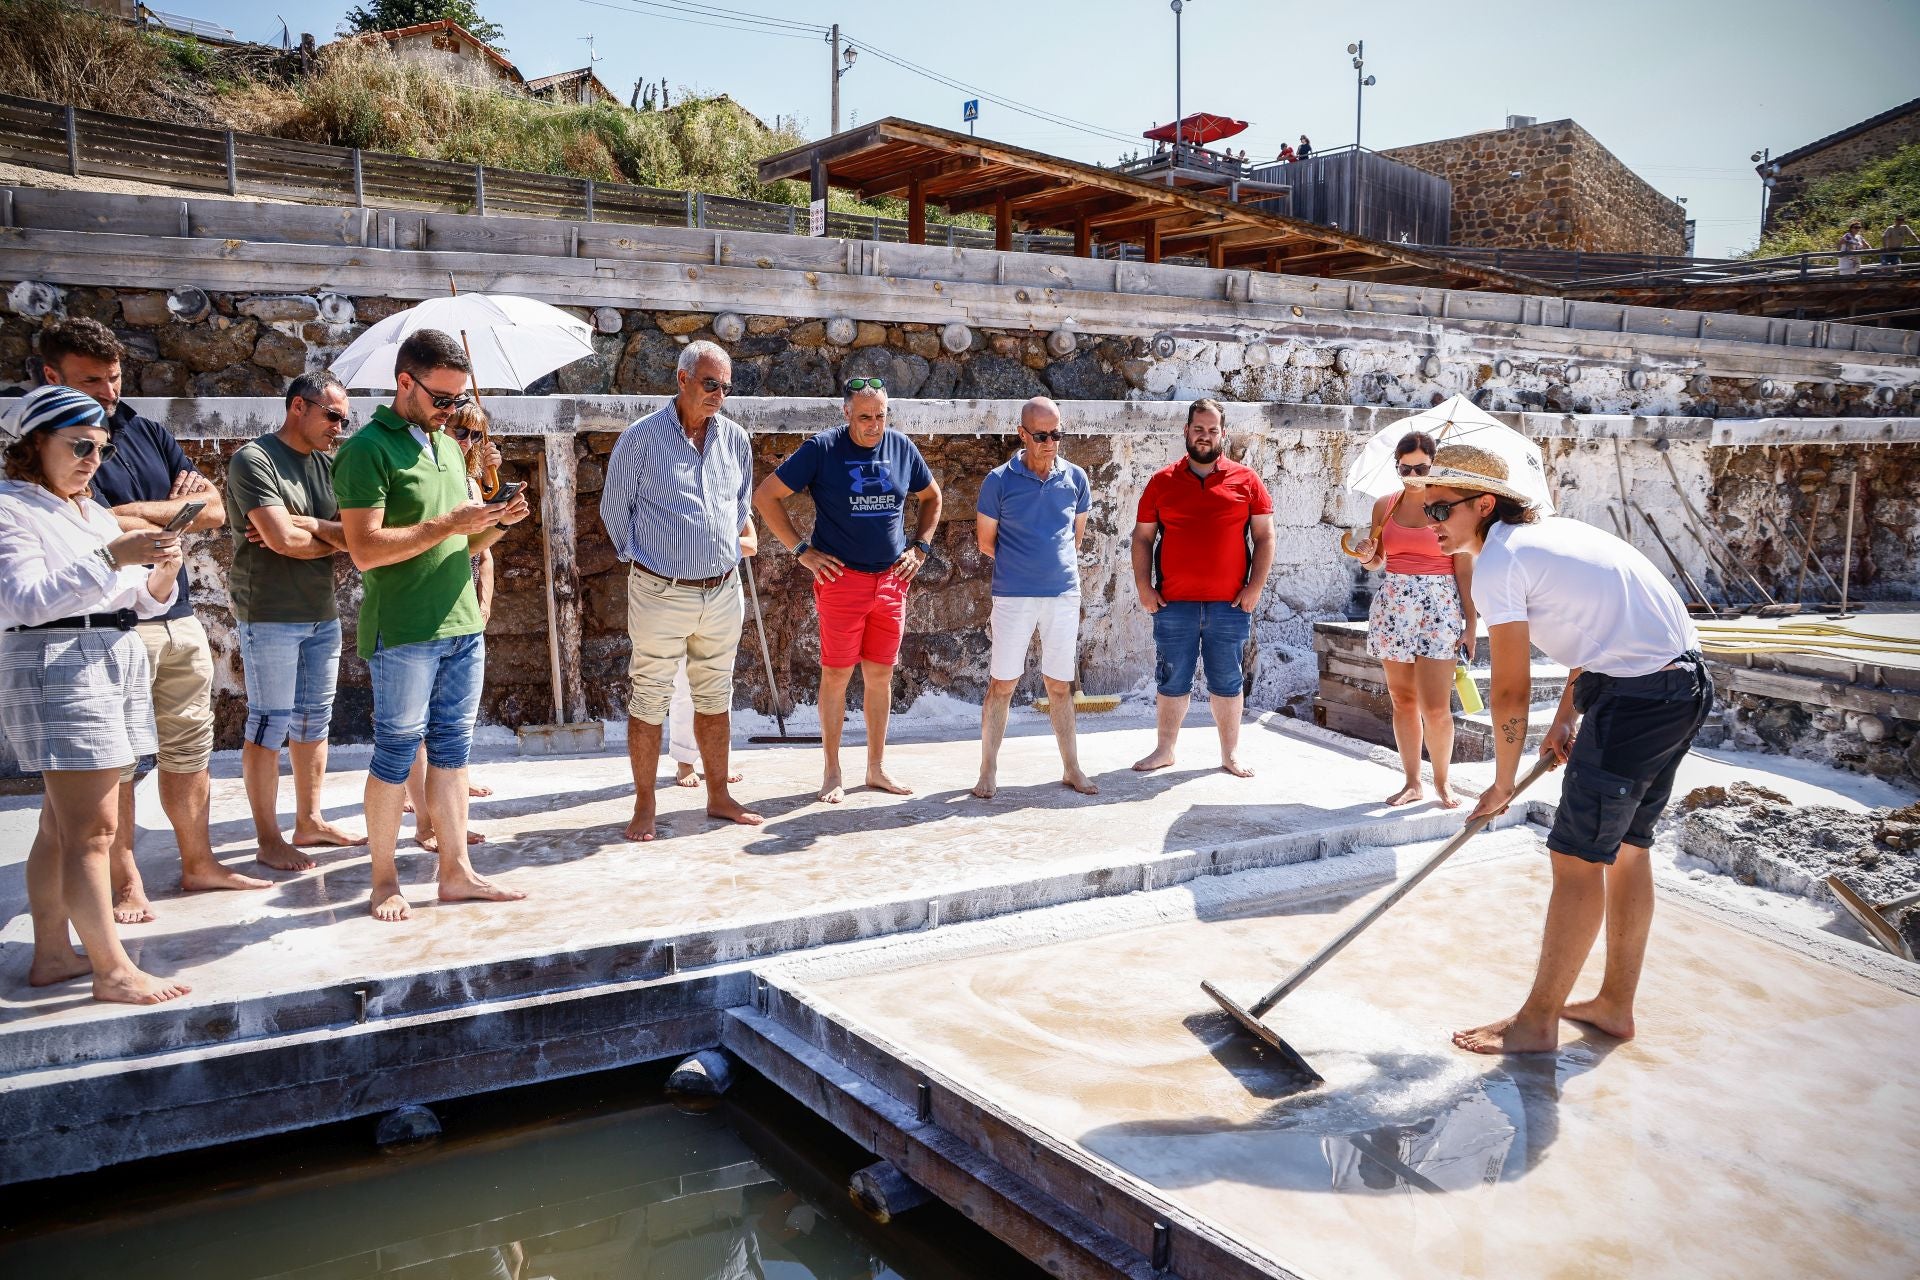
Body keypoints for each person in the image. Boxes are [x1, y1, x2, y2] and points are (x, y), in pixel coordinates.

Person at [1411, 444, 1709, 1056]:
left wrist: (1501, 781)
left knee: (1577, 859)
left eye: (1441, 507)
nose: (1430, 521)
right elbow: (1594, 627)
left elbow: (1511, 688)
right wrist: (1568, 714)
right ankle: (1614, 1006)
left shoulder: (1498, 563)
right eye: (1425, 507)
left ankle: (1536, 1023)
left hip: (1638, 700)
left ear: (1484, 504)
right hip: (1678, 687)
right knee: (1629, 847)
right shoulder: (1551, 535)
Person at [40, 317, 268, 921]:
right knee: (116, 759)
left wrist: (131, 512)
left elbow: (214, 510)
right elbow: (83, 523)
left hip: (178, 612)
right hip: (110, 622)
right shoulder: (49, 448)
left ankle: (199, 863)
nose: (111, 394)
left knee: (190, 745)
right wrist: (172, 510)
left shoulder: (144, 430)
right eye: (93, 381)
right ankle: (125, 881)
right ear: (50, 376)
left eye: (115, 378)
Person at [0, 385, 191, 1003]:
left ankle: (53, 955)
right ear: (35, 444)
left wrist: (159, 566)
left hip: (110, 654)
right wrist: (113, 557)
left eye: (100, 449)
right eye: (79, 445)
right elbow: (23, 601)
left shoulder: (88, 510)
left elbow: (137, 598)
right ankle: (113, 971)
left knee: (60, 826)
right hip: (59, 661)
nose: (92, 459)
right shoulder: (11, 509)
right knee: (94, 830)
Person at [333, 329, 531, 921]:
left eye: (458, 401)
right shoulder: (366, 449)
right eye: (442, 399)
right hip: (406, 630)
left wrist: (497, 523)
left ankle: (456, 872)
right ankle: (384, 879)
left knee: (453, 750)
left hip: (461, 623)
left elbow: (460, 540)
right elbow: (365, 549)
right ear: (404, 384)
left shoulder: (446, 445)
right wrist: (451, 522)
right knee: (394, 753)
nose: (451, 411)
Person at [599, 340, 761, 841]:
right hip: (661, 593)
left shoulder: (735, 439)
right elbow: (614, 510)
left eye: (726, 388)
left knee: (716, 696)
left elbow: (739, 504)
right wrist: (648, 566)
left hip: (722, 591)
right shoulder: (641, 439)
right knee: (648, 698)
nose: (718, 395)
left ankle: (718, 795)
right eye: (710, 384)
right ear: (682, 379)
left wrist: (728, 549)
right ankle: (645, 805)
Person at [754, 376, 941, 803]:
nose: (873, 425)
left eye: (880, 416)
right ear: (845, 413)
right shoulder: (822, 449)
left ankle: (875, 769)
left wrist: (922, 548)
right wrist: (802, 550)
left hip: (892, 581)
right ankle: (832, 771)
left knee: (880, 675)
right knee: (836, 675)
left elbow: (933, 497)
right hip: (841, 581)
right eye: (864, 417)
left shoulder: (900, 447)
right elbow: (765, 496)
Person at [226, 370, 364, 872]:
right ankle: (268, 837)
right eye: (332, 416)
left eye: (344, 420)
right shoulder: (254, 459)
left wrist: (313, 528)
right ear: (297, 407)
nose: (339, 427)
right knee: (268, 724)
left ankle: (310, 820)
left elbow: (359, 539)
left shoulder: (328, 466)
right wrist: (326, 538)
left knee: (314, 722)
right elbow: (281, 541)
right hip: (270, 613)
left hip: (320, 613)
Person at [1129, 398, 1275, 777]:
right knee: (1172, 676)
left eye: (1212, 430)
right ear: (1186, 432)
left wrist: (1254, 587)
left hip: (1229, 604)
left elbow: (1264, 536)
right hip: (1173, 602)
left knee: (1227, 679)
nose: (1205, 436)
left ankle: (1230, 755)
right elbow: (1143, 538)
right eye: (1199, 429)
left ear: (1223, 433)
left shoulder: (1247, 480)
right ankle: (1165, 750)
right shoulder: (1162, 482)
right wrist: (1144, 588)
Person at [971, 397, 1097, 800]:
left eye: (1056, 434)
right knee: (1002, 683)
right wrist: (1025, 566)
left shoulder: (1075, 478)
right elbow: (986, 542)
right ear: (1022, 434)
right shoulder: (998, 481)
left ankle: (1072, 768)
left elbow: (1074, 538)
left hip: (1062, 595)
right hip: (1013, 595)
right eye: (1041, 435)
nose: (1050, 443)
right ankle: (988, 771)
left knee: (1060, 684)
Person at [1347, 431, 1475, 808]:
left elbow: (1464, 568)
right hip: (1394, 608)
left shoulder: (1451, 507)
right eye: (1406, 468)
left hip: (1440, 608)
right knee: (1403, 700)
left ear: (1435, 465)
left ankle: (1442, 782)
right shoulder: (1385, 506)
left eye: (1422, 467)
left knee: (1436, 706)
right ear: (1397, 467)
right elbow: (1377, 562)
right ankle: (1412, 782)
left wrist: (1471, 623)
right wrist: (1366, 555)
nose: (1414, 474)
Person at [404, 400, 502, 852]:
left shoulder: (469, 479)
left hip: (461, 605)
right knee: (413, 724)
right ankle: (425, 819)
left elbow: (484, 551)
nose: (467, 443)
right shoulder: (429, 473)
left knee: (450, 725)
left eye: (476, 436)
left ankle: (446, 808)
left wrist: (484, 602)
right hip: (427, 605)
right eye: (461, 433)